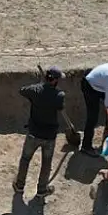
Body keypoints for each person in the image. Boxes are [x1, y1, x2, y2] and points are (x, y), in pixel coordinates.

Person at [13, 66, 66, 197]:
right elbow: (59, 107)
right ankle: (42, 190)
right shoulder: (59, 95)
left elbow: (22, 90)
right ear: (55, 81)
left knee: (25, 159)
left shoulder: (35, 90)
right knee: (46, 164)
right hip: (49, 136)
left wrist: (38, 87)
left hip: (33, 133)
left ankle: (19, 185)